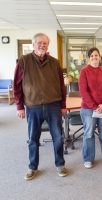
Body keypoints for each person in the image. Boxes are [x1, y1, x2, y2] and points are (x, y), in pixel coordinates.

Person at [13, 33, 68, 180]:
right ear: (33, 44)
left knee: (58, 137)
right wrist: (19, 106)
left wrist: (63, 105)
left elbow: (61, 86)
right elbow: (16, 86)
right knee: (33, 139)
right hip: (33, 107)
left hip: (53, 106)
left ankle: (60, 164)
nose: (42, 45)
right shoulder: (23, 62)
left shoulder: (55, 63)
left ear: (47, 45)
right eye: (39, 43)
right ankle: (32, 167)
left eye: (44, 43)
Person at [78, 47, 102, 169]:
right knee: (88, 134)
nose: (94, 57)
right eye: (91, 55)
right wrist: (94, 107)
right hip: (88, 109)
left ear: (100, 57)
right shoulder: (84, 71)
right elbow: (83, 91)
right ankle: (88, 158)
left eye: (96, 55)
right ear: (89, 58)